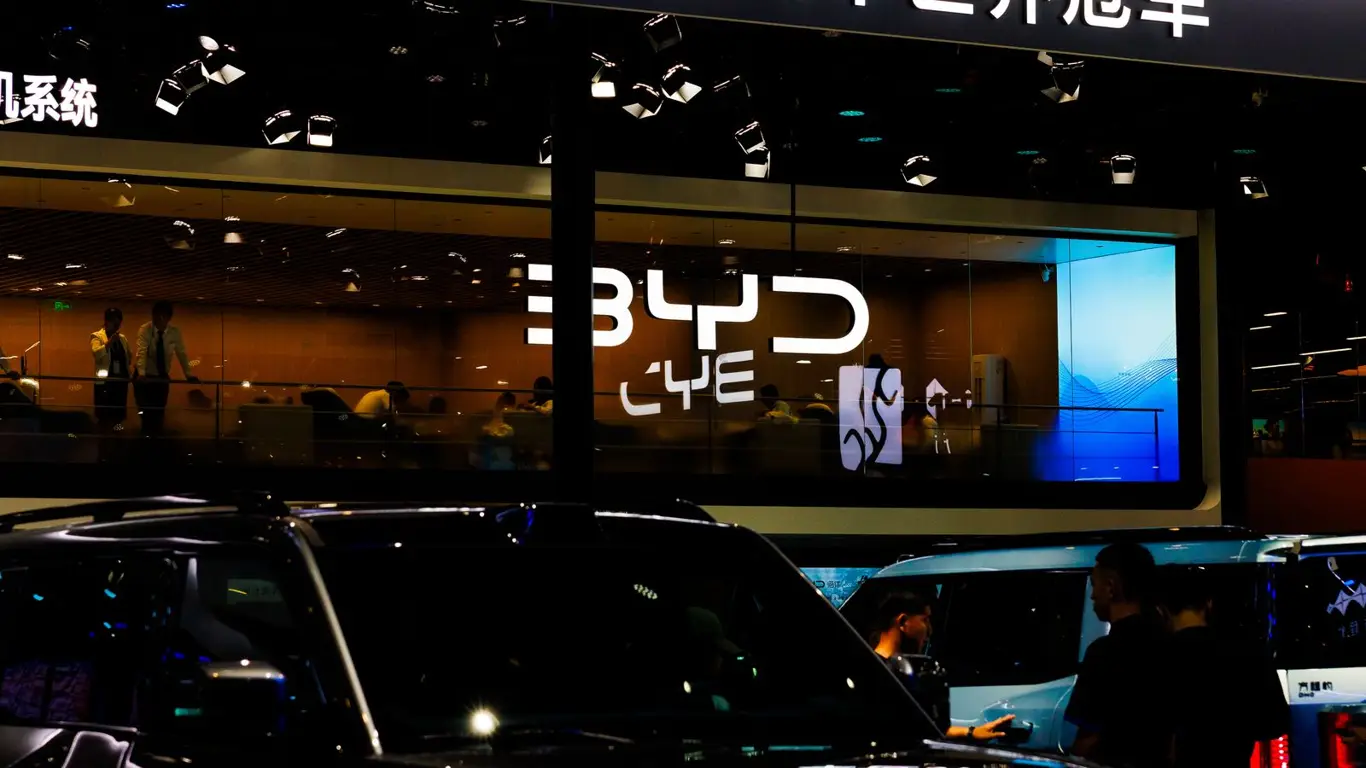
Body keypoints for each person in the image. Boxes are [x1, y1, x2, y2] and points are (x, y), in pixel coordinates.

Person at [1158, 567, 1288, 768]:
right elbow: (1276, 723)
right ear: (1208, 604)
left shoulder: (1155, 658)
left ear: (1162, 610)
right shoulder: (1247, 651)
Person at [1065, 543, 1170, 768]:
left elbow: (1087, 739)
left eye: (1095, 585)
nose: (1092, 595)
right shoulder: (1171, 645)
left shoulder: (1103, 653)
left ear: (1111, 587)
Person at [869, 593, 1014, 741]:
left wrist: (971, 732)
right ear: (903, 622)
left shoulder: (907, 671)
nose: (930, 630)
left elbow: (924, 730)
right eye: (925, 620)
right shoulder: (870, 674)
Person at [135, 301, 199, 436]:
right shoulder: (145, 329)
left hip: (161, 376)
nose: (158, 319)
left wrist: (188, 374)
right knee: (146, 413)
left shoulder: (174, 332)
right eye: (156, 316)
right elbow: (142, 351)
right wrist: (141, 373)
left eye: (161, 317)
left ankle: (156, 438)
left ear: (168, 318)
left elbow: (181, 353)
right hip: (146, 377)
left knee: (159, 412)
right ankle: (146, 437)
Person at [91, 307, 132, 429]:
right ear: (107, 321)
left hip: (120, 380)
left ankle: (117, 432)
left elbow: (128, 355)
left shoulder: (122, 338)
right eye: (114, 322)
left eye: (118, 323)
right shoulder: (96, 336)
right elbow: (97, 353)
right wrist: (109, 343)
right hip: (105, 381)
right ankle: (103, 433)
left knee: (118, 412)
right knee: (104, 412)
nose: (116, 326)